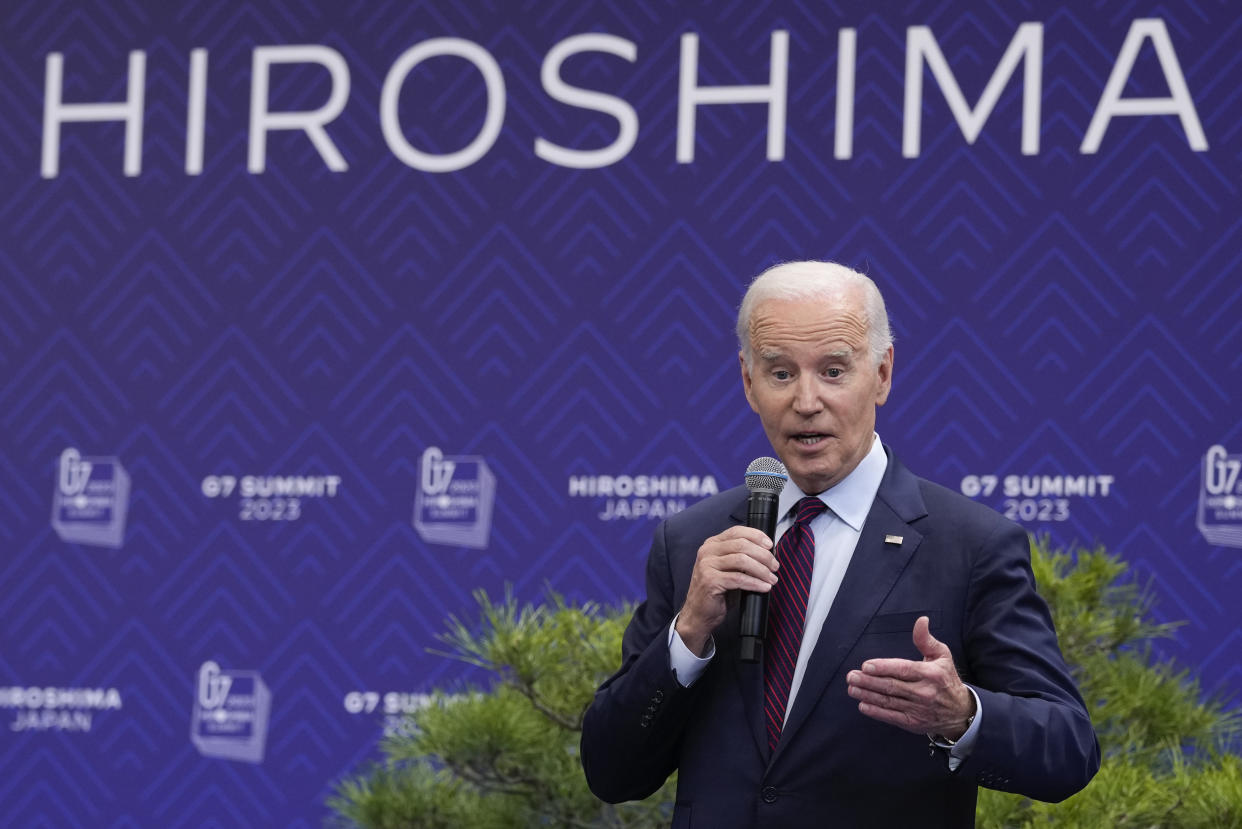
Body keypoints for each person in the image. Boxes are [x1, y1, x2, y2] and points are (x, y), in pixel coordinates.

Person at [580, 261, 1099, 828]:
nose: (806, 401)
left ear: (881, 374)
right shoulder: (690, 543)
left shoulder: (971, 545)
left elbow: (1068, 750)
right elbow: (612, 772)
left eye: (832, 371)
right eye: (780, 374)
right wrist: (688, 634)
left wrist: (962, 714)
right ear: (748, 383)